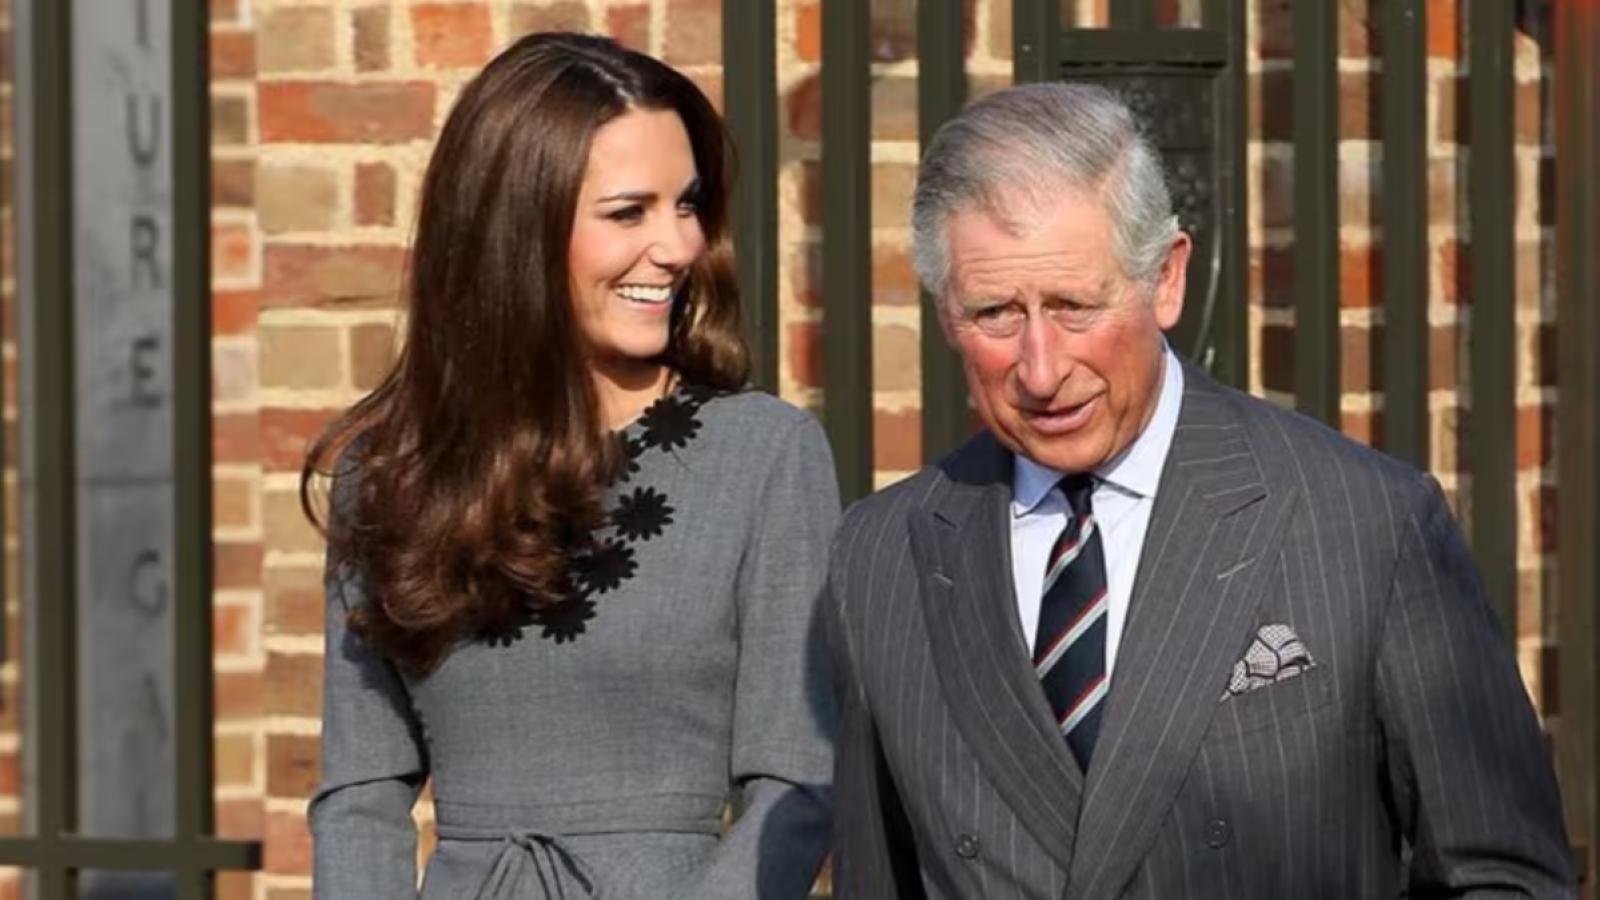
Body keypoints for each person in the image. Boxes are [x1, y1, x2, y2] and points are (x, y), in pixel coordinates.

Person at [825, 82, 1575, 899]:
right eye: (997, 313)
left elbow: (1504, 876)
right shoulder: (883, 559)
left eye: (1075, 306)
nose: (1040, 368)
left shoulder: (1363, 525)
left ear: (1167, 278)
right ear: (945, 314)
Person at [301, 32, 837, 900]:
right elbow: (360, 795)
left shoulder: (764, 454)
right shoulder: (391, 471)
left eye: (687, 205)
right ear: (517, 228)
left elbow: (800, 778)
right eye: (629, 213)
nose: (678, 246)